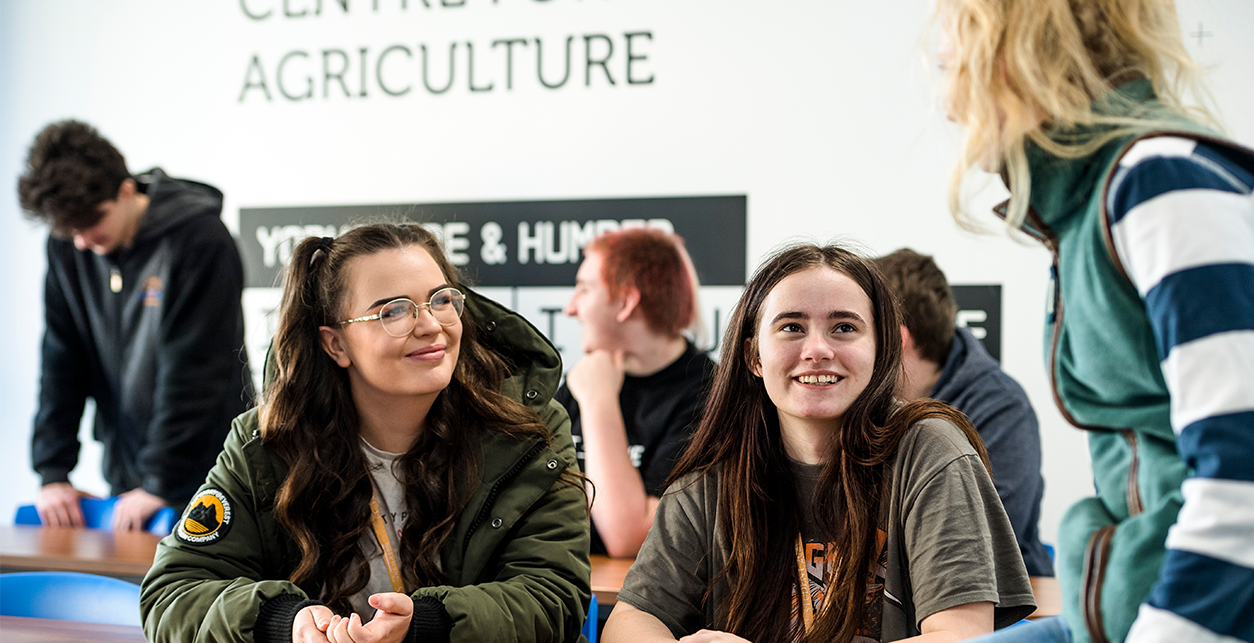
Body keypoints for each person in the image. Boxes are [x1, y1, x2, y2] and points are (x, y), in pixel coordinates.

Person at [935, 1, 1254, 642]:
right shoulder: (1102, 197)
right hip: (1112, 608)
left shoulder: (1157, 183)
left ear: (1014, 58)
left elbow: (1243, 472)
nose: (949, 107)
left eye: (955, 68)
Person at [140, 223, 591, 643]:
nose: (431, 325)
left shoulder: (526, 428)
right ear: (336, 344)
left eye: (440, 300)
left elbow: (554, 596)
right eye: (393, 311)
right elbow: (173, 593)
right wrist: (284, 623)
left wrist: (426, 625)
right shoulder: (266, 443)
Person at [604, 244, 1034, 643]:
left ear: (880, 350)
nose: (817, 349)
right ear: (754, 357)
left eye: (844, 328)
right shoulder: (714, 477)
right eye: (792, 327)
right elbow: (629, 621)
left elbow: (960, 636)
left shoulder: (930, 451)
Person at [16, 120, 253, 532]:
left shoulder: (201, 240)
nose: (82, 241)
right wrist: (53, 472)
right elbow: (61, 359)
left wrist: (160, 482)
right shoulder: (69, 246)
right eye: (70, 229)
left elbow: (197, 374)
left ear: (126, 191)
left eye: (92, 221)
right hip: (129, 477)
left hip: (214, 475)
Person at [874, 248, 1053, 577]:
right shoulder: (862, 403)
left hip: (997, 596)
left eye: (853, 328)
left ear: (895, 338)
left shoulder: (1002, 407)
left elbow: (983, 541)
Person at [558, 228, 716, 558]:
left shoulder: (709, 396)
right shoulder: (583, 379)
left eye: (584, 290)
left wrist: (599, 402)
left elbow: (630, 538)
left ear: (627, 302)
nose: (571, 308)